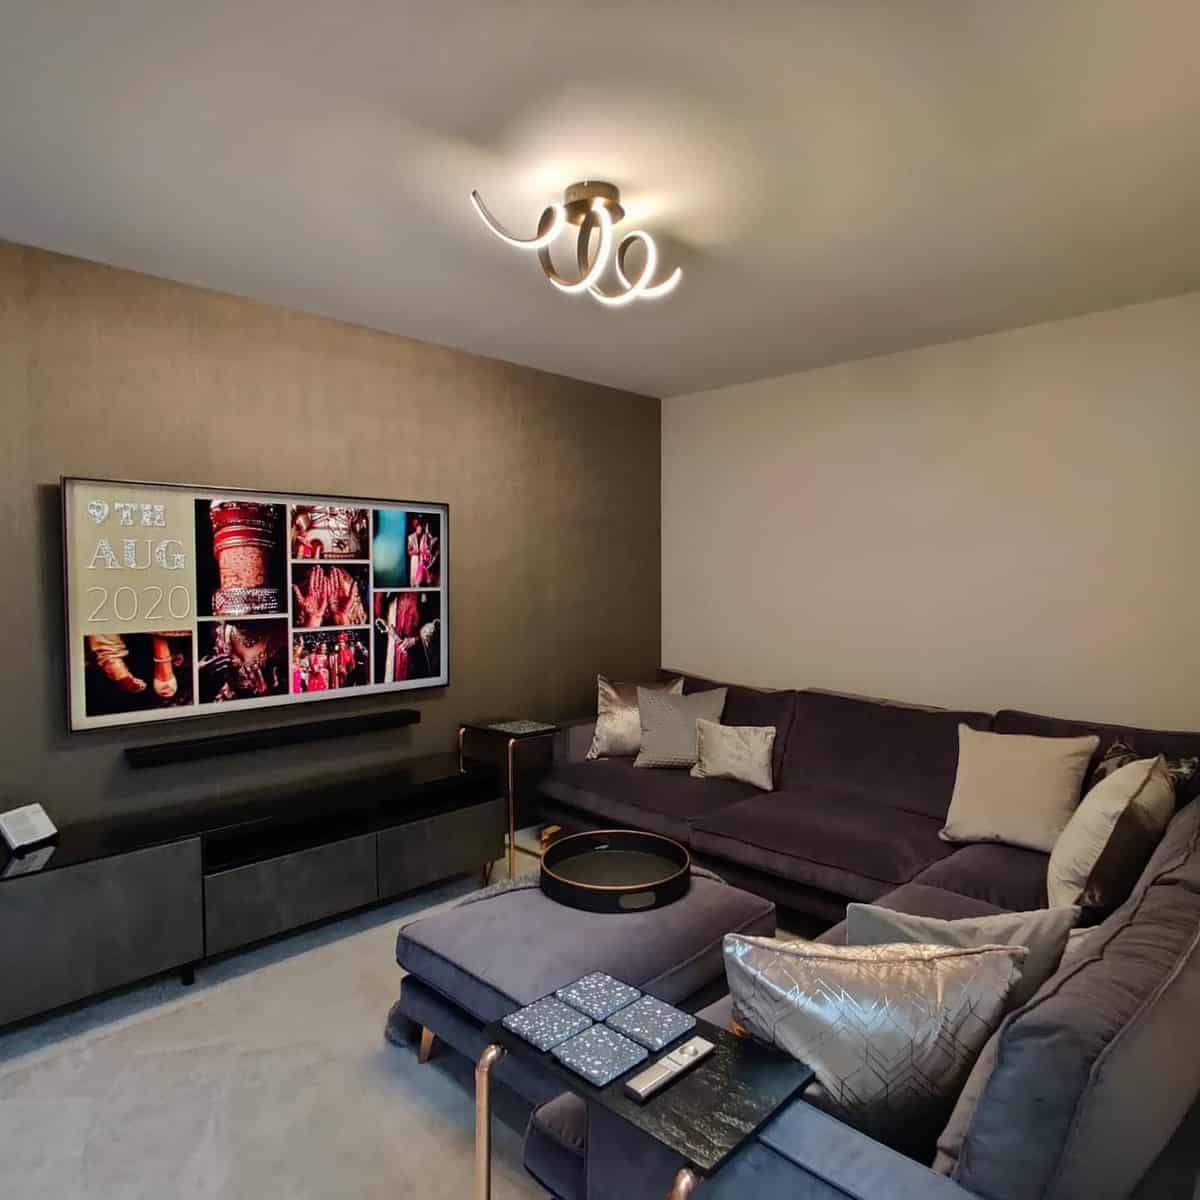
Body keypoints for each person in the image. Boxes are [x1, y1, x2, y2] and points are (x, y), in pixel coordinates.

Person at [407, 518, 423, 587]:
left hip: (422, 560)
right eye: (418, 529)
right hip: (415, 559)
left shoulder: (424, 536)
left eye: (421, 529)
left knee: (420, 581)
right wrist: (416, 552)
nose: (420, 530)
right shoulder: (411, 537)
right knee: (413, 579)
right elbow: (409, 552)